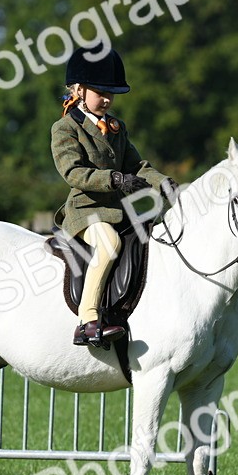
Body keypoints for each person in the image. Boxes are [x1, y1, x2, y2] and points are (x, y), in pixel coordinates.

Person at [50, 45, 175, 347]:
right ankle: (87, 320)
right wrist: (115, 179)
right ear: (79, 89)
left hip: (118, 213)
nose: (107, 99)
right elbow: (73, 173)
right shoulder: (65, 128)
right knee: (109, 243)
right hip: (86, 212)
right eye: (100, 91)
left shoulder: (117, 128)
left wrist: (164, 183)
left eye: (112, 93)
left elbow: (138, 165)